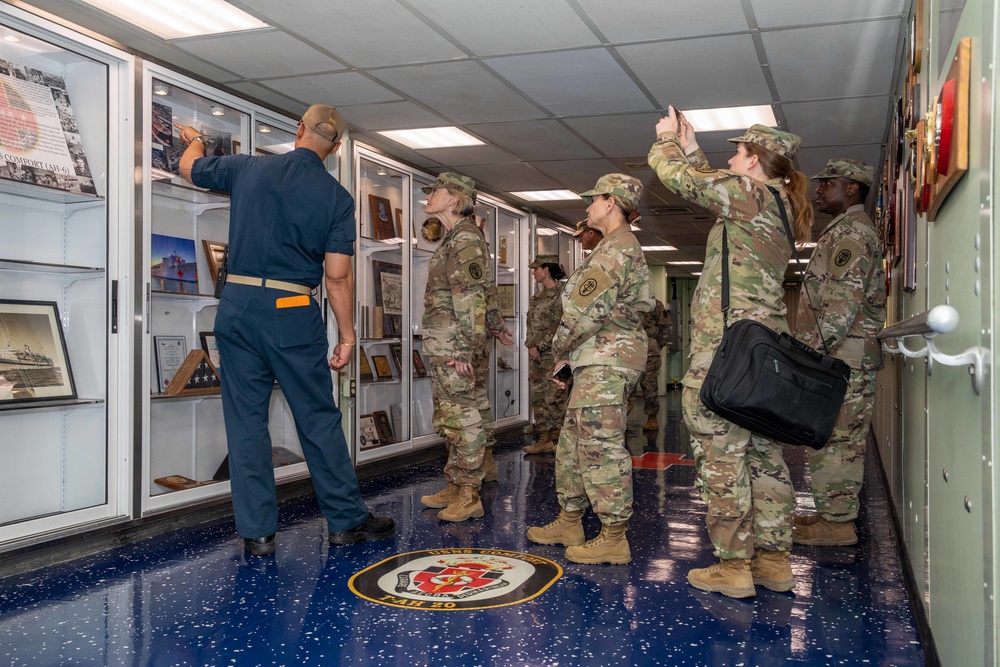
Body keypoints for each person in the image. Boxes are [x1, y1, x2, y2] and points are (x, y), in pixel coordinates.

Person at [175, 105, 394, 556]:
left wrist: (194, 138)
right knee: (316, 417)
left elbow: (188, 167)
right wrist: (348, 336)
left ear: (298, 130)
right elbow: (336, 276)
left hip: (235, 305)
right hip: (292, 306)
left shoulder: (248, 168)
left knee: (245, 421)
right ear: (334, 148)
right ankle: (346, 520)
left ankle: (257, 533)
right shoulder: (336, 199)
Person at [648, 109, 813, 598]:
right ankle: (774, 561)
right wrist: (694, 146)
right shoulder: (775, 202)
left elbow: (682, 179)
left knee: (722, 458)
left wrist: (667, 143)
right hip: (761, 354)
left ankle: (734, 566)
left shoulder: (751, 194)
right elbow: (711, 180)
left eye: (737, 152)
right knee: (764, 457)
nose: (729, 158)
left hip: (725, 353)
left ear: (755, 160)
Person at [526, 174, 653, 564]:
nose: (587, 207)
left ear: (611, 202)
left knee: (599, 448)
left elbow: (584, 313)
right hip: (595, 358)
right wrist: (570, 360)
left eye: (592, 200)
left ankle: (614, 535)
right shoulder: (610, 248)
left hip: (606, 360)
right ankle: (570, 518)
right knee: (573, 445)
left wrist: (558, 350)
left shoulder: (616, 250)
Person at [792, 159, 886, 546]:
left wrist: (811, 358)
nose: (818, 189)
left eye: (827, 182)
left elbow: (840, 306)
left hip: (842, 359)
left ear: (851, 189)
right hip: (841, 357)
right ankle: (831, 512)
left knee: (841, 440)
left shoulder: (852, 233)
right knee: (831, 438)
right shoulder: (845, 229)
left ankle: (839, 523)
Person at [418, 172, 508, 522]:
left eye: (434, 192)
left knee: (461, 417)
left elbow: (472, 297)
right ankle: (456, 485)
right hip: (449, 343)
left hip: (455, 345)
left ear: (454, 199)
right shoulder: (457, 237)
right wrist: (497, 326)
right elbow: (486, 288)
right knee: (453, 415)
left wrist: (464, 350)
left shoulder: (466, 238)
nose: (428, 197)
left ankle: (469, 494)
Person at [522, 254, 568, 455]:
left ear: (546, 269)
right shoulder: (537, 298)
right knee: (537, 396)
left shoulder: (563, 295)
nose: (533, 273)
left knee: (555, 397)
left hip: (554, 354)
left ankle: (561, 437)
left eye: (536, 269)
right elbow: (529, 324)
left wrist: (540, 347)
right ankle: (544, 438)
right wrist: (531, 345)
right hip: (537, 355)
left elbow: (559, 324)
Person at [628, 298, 673, 431]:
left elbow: (666, 326)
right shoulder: (625, 301)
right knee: (627, 386)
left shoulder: (654, 304)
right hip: (628, 350)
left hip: (649, 351)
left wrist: (658, 344)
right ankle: (623, 417)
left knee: (650, 386)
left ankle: (652, 417)